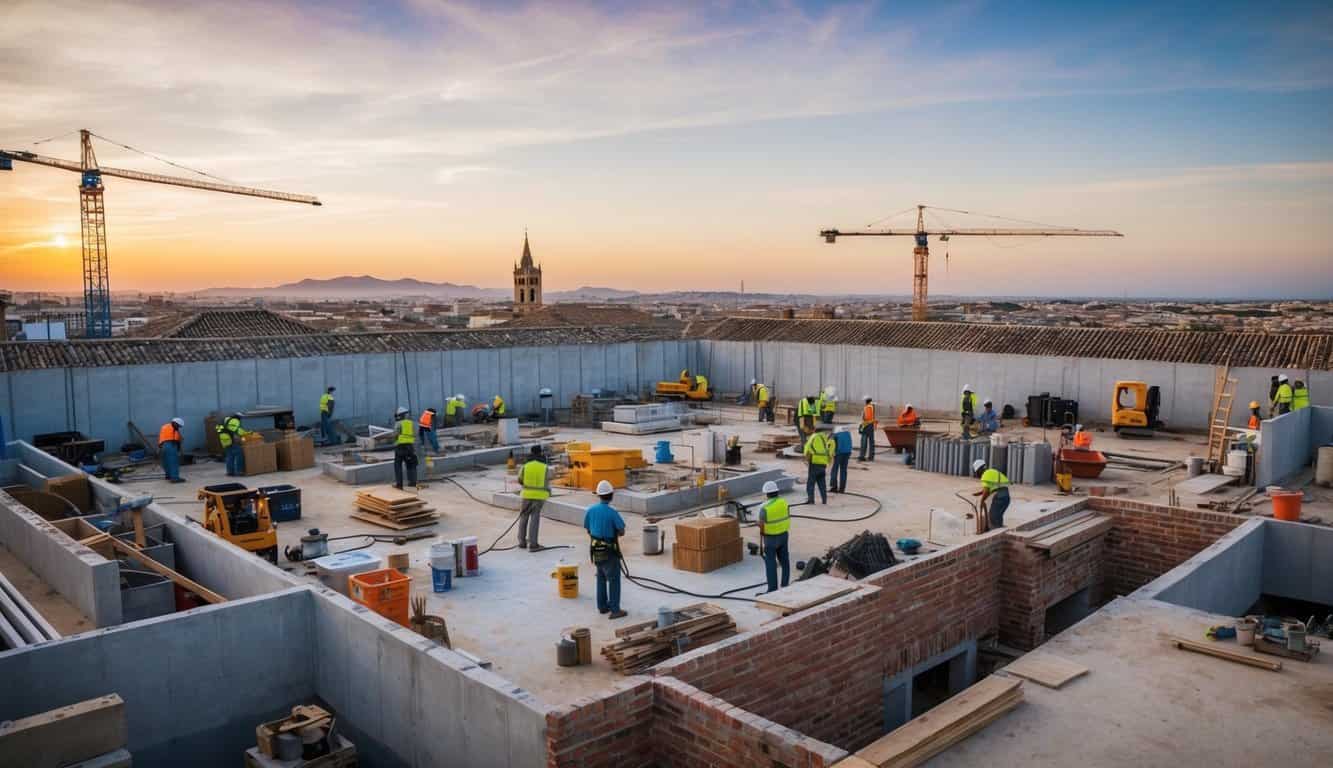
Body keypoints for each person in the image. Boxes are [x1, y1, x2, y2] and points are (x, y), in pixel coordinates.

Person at [584, 480, 627, 619]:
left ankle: (602, 607)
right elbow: (621, 531)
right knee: (614, 580)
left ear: (598, 495)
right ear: (611, 495)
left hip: (596, 550)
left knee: (601, 577)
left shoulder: (590, 510)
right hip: (609, 551)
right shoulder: (612, 512)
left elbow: (588, 529)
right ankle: (615, 610)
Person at [757, 480, 790, 593]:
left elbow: (761, 525)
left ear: (766, 494)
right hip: (784, 536)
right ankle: (785, 586)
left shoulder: (763, 508)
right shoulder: (784, 503)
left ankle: (772, 590)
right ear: (777, 491)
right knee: (785, 561)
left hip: (770, 539)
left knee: (770, 563)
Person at [518, 445, 549, 551]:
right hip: (539, 497)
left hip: (526, 495)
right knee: (534, 519)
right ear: (540, 453)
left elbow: (520, 479)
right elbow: (548, 480)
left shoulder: (526, 466)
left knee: (523, 517)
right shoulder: (544, 467)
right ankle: (533, 545)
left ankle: (522, 542)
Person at [971, 459, 1010, 529]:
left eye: (976, 472)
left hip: (1000, 497)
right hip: (1006, 496)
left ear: (979, 470)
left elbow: (987, 490)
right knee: (998, 516)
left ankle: (998, 531)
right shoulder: (991, 472)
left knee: (993, 516)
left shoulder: (985, 475)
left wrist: (982, 501)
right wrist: (980, 493)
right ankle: (1000, 528)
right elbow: (990, 487)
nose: (977, 474)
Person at [803, 428, 832, 504]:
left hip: (814, 462)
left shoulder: (813, 436)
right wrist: (828, 461)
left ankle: (811, 500)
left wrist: (806, 458)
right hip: (823, 463)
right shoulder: (825, 438)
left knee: (811, 483)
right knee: (822, 482)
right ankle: (824, 500)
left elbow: (807, 448)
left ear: (814, 431)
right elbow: (829, 450)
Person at [392, 406, 418, 490]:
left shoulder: (398, 423)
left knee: (398, 466)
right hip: (410, 447)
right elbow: (415, 434)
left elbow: (395, 434)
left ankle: (399, 485)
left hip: (400, 447)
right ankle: (412, 483)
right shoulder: (411, 423)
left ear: (399, 415)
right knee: (411, 465)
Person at [216, 412, 248, 477]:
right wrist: (246, 433)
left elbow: (218, 429)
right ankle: (239, 471)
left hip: (224, 440)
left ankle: (230, 472)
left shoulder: (225, 419)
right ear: (238, 417)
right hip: (230, 440)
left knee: (229, 455)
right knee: (239, 453)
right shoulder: (235, 420)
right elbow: (236, 430)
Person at [158, 417, 185, 483]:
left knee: (166, 462)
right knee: (173, 462)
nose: (179, 428)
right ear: (176, 423)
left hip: (162, 445)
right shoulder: (174, 428)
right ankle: (175, 478)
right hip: (171, 445)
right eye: (179, 426)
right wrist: (179, 447)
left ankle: (168, 475)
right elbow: (178, 439)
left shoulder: (164, 427)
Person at [830, 425, 853, 493]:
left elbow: (831, 444)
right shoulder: (848, 433)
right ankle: (842, 489)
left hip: (839, 453)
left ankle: (834, 487)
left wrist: (833, 453)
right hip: (847, 453)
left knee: (834, 469)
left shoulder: (836, 435)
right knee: (843, 471)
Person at [858, 396, 877, 461]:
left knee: (863, 441)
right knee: (871, 441)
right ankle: (871, 456)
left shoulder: (868, 407)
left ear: (866, 401)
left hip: (867, 425)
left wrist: (862, 424)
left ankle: (862, 456)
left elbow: (866, 417)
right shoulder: (872, 406)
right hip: (870, 425)